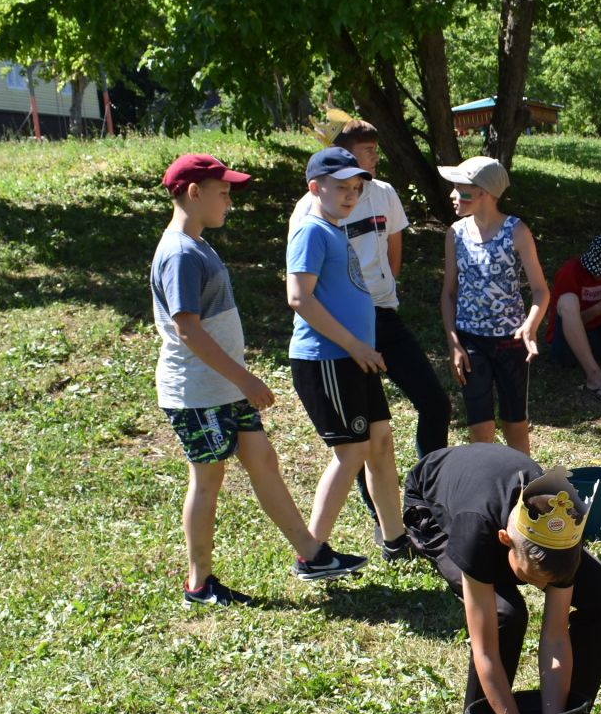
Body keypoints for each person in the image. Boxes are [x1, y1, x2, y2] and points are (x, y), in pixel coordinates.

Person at [149, 153, 350, 606]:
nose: (229, 202)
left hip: (221, 388)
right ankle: (198, 585)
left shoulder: (195, 244)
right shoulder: (180, 252)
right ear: (193, 192)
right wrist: (246, 379)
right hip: (198, 393)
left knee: (262, 459)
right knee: (207, 479)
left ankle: (311, 553)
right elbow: (187, 328)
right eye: (222, 193)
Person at [401, 445, 601, 714]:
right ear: (505, 542)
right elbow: (485, 651)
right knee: (505, 615)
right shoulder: (477, 531)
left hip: (518, 527)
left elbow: (554, 637)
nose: (541, 587)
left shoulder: (560, 528)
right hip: (433, 503)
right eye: (534, 577)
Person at [289, 120, 452, 466]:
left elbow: (394, 247)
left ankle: (430, 489)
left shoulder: (383, 193)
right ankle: (380, 516)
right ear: (344, 154)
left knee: (435, 403)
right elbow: (301, 289)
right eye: (368, 151)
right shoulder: (311, 208)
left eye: (376, 150)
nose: (375, 157)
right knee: (364, 435)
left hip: (383, 314)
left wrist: (383, 286)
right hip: (342, 327)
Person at [286, 147, 413, 569]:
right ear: (315, 188)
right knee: (352, 452)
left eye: (357, 188)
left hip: (353, 358)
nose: (351, 195)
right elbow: (299, 297)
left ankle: (396, 539)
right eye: (341, 187)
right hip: (327, 359)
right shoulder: (311, 231)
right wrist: (355, 345)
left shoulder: (335, 229)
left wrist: (362, 348)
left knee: (380, 442)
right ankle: (312, 553)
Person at [440, 156, 550, 454]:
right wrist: (454, 343)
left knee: (515, 425)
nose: (453, 195)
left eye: (460, 189)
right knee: (480, 428)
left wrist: (530, 326)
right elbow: (449, 293)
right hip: (470, 340)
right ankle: (487, 495)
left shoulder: (517, 231)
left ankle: (524, 493)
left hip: (510, 342)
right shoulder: (456, 233)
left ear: (483, 193)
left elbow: (541, 291)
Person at [541, 233, 601, 400]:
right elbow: (568, 317)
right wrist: (598, 310)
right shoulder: (570, 272)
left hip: (599, 339)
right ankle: (593, 375)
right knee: (568, 300)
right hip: (566, 347)